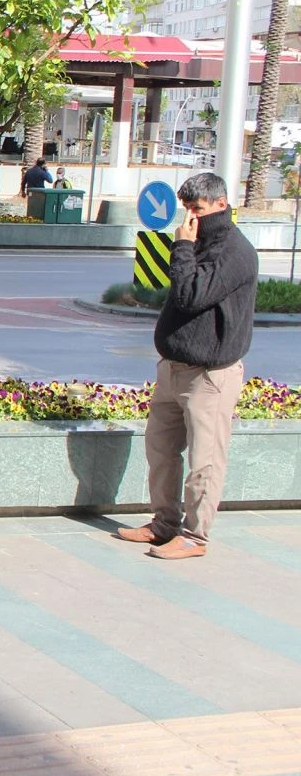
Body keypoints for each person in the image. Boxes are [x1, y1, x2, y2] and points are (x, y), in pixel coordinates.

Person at [114, 171, 257, 560]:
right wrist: (187, 248)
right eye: (187, 208)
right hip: (174, 368)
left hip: (210, 375)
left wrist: (183, 247)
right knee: (160, 449)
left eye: (198, 208)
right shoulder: (197, 244)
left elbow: (190, 294)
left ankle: (195, 537)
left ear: (221, 205)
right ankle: (164, 523)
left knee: (204, 462)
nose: (190, 217)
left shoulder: (234, 252)